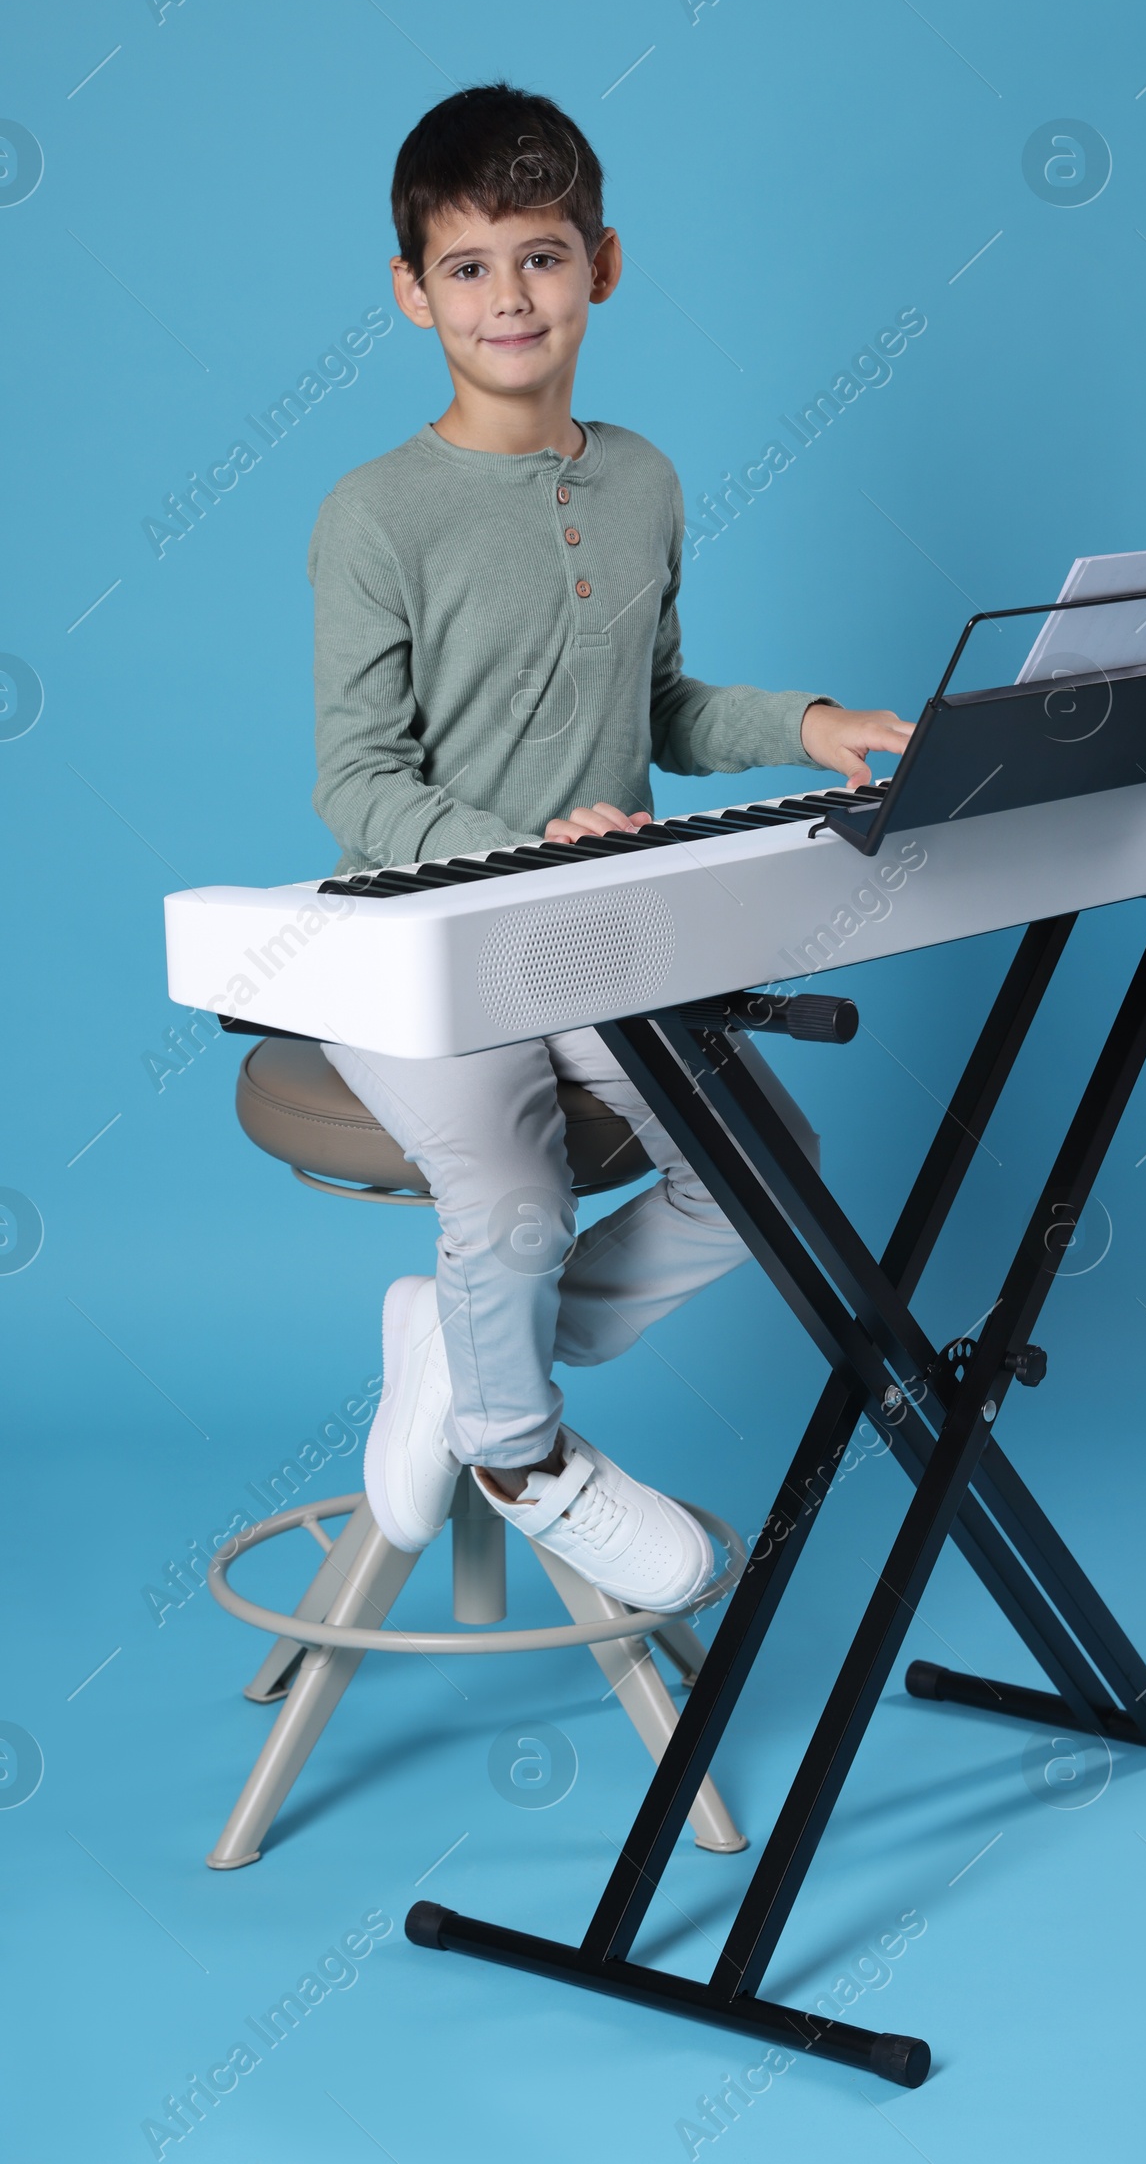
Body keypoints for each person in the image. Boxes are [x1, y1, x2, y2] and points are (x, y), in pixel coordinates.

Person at [311, 83, 913, 1614]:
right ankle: (521, 1453)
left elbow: (664, 706)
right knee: (507, 1208)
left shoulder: (639, 479)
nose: (509, 297)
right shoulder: (376, 514)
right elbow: (362, 784)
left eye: (541, 256)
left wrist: (812, 721)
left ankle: (459, 1343)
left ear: (603, 265)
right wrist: (517, 855)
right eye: (468, 265)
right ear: (411, 291)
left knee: (769, 1167)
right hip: (420, 945)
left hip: (594, 934)